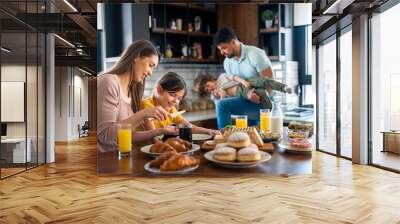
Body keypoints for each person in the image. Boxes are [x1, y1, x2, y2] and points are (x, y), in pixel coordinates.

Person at [97, 40, 178, 151]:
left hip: (122, 156)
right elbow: (105, 136)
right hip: (105, 162)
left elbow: (126, 136)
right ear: (136, 57)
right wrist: (144, 113)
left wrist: (161, 131)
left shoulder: (132, 90)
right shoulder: (109, 82)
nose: (151, 73)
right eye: (151, 65)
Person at [213, 27, 281, 129]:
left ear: (233, 42)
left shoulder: (255, 54)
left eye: (224, 48)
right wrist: (223, 92)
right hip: (247, 101)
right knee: (250, 138)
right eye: (220, 49)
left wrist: (258, 97)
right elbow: (234, 88)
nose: (222, 52)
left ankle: (224, 139)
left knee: (222, 105)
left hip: (265, 102)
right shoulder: (227, 63)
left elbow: (270, 85)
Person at [140, 72, 219, 142]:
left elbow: (187, 126)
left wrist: (209, 131)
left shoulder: (170, 109)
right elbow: (154, 139)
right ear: (159, 89)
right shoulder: (147, 106)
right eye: (172, 95)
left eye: (179, 98)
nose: (176, 101)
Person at [195, 73, 291, 109]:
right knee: (262, 93)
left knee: (262, 80)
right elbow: (222, 104)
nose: (209, 88)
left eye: (207, 85)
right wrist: (220, 97)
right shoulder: (214, 95)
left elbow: (234, 77)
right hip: (240, 92)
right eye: (207, 90)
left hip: (245, 82)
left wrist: (244, 82)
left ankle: (283, 88)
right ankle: (270, 114)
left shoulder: (221, 76)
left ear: (209, 79)